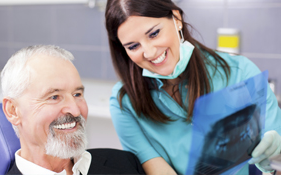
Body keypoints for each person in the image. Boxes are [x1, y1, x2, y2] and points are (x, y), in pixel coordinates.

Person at [104, 0, 281, 174]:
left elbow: (276, 161)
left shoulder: (240, 73)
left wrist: (276, 155)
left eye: (154, 34)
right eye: (133, 46)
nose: (149, 52)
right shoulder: (125, 103)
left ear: (176, 19)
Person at [1, 45, 145, 175]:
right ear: (13, 111)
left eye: (77, 94)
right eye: (54, 97)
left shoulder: (126, 163)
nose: (75, 110)